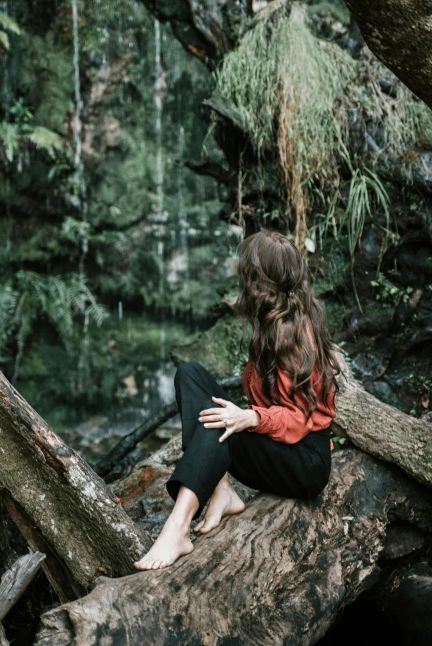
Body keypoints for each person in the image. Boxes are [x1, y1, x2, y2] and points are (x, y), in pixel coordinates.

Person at [134, 229, 341, 571]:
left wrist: (251, 418)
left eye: (247, 272)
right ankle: (222, 490)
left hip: (305, 461)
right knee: (190, 374)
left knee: (223, 426)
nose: (240, 278)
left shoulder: (296, 336)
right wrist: (246, 417)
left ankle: (178, 527)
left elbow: (300, 420)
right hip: (277, 445)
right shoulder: (272, 323)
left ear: (260, 281)